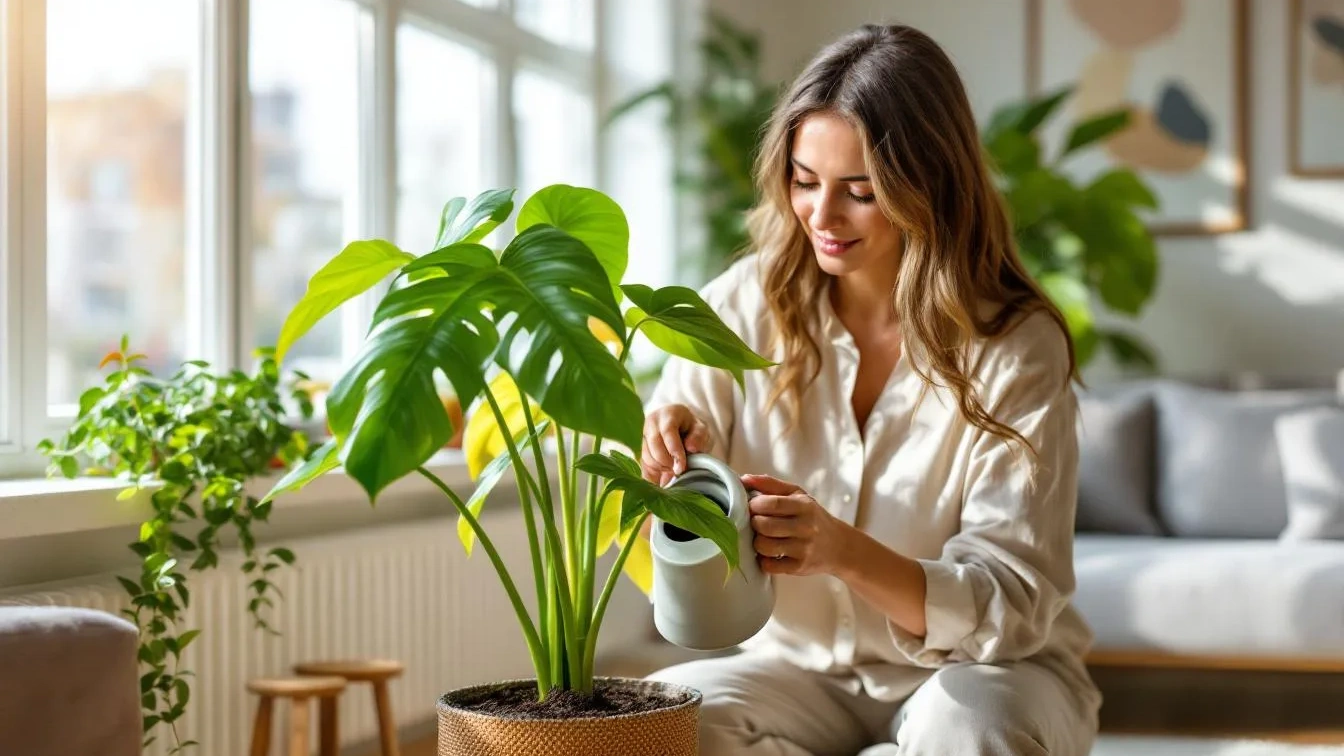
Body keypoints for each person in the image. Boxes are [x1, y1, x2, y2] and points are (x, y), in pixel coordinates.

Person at [639, 23, 1102, 756]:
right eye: (803, 179)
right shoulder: (738, 308)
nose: (821, 217)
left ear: (930, 185)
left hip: (986, 670)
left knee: (971, 731)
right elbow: (674, 506)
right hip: (794, 673)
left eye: (860, 191)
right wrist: (668, 456)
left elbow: (1010, 605)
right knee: (666, 730)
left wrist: (845, 552)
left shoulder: (1014, 345)